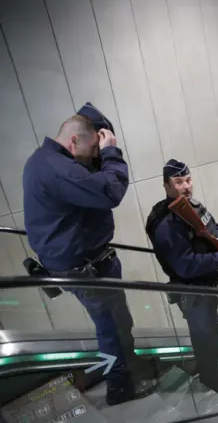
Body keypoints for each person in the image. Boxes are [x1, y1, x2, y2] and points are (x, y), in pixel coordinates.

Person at [22, 103, 153, 405]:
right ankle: (120, 389)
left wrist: (98, 152)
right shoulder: (59, 169)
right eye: (93, 148)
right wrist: (110, 153)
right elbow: (111, 191)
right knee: (111, 330)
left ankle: (128, 371)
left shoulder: (42, 161)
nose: (95, 157)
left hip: (82, 264)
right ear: (74, 141)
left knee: (118, 323)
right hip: (87, 269)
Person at [145, 159, 218, 401]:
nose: (186, 186)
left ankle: (208, 372)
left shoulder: (190, 206)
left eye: (188, 180)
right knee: (207, 337)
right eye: (179, 182)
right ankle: (213, 380)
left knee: (207, 333)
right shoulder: (167, 223)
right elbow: (186, 265)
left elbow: (213, 226)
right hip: (193, 288)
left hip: (204, 285)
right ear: (166, 186)